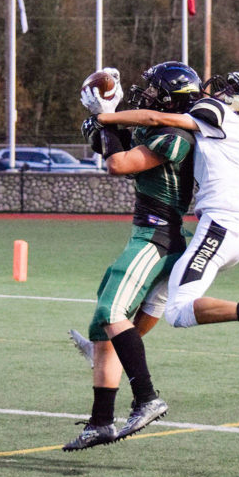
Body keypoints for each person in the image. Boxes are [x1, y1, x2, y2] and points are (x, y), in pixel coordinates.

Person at [85, 71, 239, 341]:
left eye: (231, 88)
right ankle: (116, 351)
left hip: (219, 228)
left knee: (178, 312)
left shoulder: (220, 113)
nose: (219, 91)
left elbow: (155, 118)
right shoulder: (225, 129)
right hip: (228, 230)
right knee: (161, 292)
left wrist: (104, 116)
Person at [62, 62, 202, 452]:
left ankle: (146, 397)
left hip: (158, 236)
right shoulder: (156, 127)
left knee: (111, 313)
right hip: (149, 234)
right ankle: (101, 422)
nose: (146, 95)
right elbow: (107, 141)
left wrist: (104, 122)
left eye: (155, 91)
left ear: (172, 99)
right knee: (101, 326)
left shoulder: (176, 136)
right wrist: (104, 120)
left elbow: (118, 163)